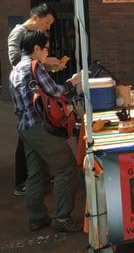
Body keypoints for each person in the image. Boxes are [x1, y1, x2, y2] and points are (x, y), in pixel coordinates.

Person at [9, 30, 82, 232]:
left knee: (37, 174)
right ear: (36, 49)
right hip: (40, 128)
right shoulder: (34, 66)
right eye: (46, 48)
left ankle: (37, 217)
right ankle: (61, 218)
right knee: (67, 168)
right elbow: (56, 91)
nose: (47, 53)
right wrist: (72, 82)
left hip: (24, 127)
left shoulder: (15, 69)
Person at [7, 3, 64, 196]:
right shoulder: (19, 33)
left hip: (34, 95)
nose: (48, 27)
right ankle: (22, 181)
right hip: (27, 96)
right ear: (36, 17)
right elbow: (18, 61)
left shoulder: (35, 40)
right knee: (28, 136)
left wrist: (47, 65)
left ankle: (37, 177)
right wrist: (45, 63)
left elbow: (33, 65)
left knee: (32, 136)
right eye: (47, 22)